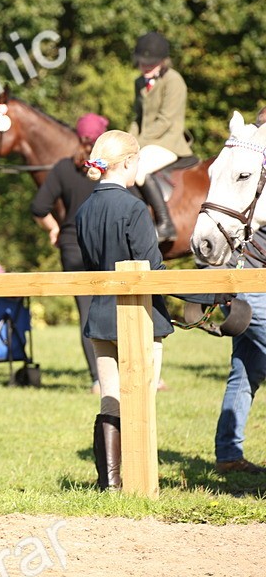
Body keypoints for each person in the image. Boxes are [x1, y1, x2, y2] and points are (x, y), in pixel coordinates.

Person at [75, 130, 174, 490]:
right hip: (140, 317)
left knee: (110, 397)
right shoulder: (134, 207)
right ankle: (140, 479)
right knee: (142, 397)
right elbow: (151, 268)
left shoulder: (84, 210)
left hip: (101, 316)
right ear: (129, 162)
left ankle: (111, 482)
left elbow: (91, 264)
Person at [31, 114, 105, 391]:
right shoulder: (110, 169)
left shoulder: (64, 167)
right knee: (117, 309)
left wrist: (54, 229)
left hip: (73, 247)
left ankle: (98, 379)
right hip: (106, 246)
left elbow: (39, 208)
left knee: (86, 313)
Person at [212, 106, 266, 475]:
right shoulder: (250, 163)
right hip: (252, 281)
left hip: (249, 279)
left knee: (246, 369)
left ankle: (229, 455)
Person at [128, 31, 190, 244]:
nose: (145, 66)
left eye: (150, 63)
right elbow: (138, 118)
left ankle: (165, 224)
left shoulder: (174, 81)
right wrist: (126, 141)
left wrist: (138, 144)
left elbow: (165, 120)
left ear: (163, 61)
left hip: (169, 141)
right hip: (147, 141)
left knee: (140, 169)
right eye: (142, 62)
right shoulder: (139, 83)